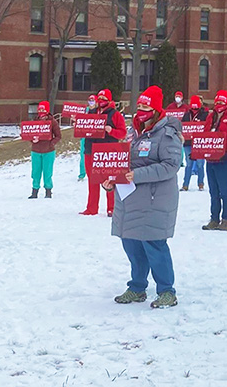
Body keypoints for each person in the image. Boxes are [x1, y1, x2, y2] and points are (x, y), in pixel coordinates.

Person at [104, 85, 182, 309]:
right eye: (139, 107)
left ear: (156, 110)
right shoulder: (133, 132)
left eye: (146, 107)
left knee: (154, 244)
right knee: (131, 244)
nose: (141, 111)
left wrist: (136, 175)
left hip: (154, 200)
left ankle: (166, 290)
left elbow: (170, 165)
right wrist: (111, 179)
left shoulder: (167, 134)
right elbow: (121, 161)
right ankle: (137, 287)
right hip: (130, 199)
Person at [80, 89, 127, 217]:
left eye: (104, 100)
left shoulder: (115, 114)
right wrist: (78, 123)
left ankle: (111, 208)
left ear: (109, 101)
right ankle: (91, 208)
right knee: (92, 180)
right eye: (99, 99)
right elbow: (84, 129)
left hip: (107, 151)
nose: (101, 102)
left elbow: (123, 133)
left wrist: (111, 130)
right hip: (90, 150)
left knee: (109, 179)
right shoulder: (92, 112)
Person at [202, 90, 227, 231]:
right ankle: (214, 219)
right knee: (213, 192)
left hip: (225, 161)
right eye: (217, 101)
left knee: (224, 191)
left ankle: (226, 220)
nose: (219, 104)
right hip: (210, 161)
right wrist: (198, 152)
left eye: (222, 102)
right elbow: (204, 136)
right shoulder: (210, 117)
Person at [27, 101, 62, 199]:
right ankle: (35, 191)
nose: (41, 111)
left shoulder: (53, 122)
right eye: (40, 109)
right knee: (35, 172)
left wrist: (51, 143)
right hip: (36, 151)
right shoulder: (35, 121)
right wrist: (32, 140)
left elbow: (58, 136)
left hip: (48, 151)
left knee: (48, 172)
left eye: (43, 109)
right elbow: (29, 134)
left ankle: (48, 191)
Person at [181, 95, 208, 191]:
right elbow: (182, 127)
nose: (194, 108)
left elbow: (207, 127)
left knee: (200, 164)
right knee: (189, 164)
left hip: (200, 143)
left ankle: (201, 184)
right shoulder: (186, 115)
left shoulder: (205, 114)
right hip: (188, 143)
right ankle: (185, 185)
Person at [78, 94, 97, 182]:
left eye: (93, 100)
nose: (91, 102)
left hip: (95, 137)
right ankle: (82, 174)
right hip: (85, 137)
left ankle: (94, 173)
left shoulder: (98, 111)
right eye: (90, 100)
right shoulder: (84, 111)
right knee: (83, 156)